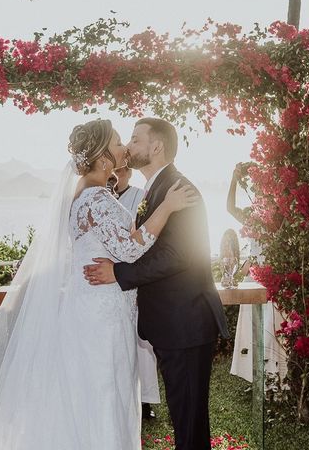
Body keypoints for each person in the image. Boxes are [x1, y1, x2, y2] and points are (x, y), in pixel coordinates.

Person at [0, 119, 197, 449]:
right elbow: (130, 248)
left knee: (92, 392)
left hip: (94, 307)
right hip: (102, 316)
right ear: (104, 158)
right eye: (119, 142)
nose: (125, 148)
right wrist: (167, 208)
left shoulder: (89, 193)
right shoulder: (96, 199)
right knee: (104, 392)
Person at [84, 117, 229, 450]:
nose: (129, 146)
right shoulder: (158, 189)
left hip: (186, 322)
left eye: (135, 139)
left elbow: (179, 253)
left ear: (157, 146)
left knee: (189, 421)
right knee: (185, 418)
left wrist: (118, 273)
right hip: (173, 324)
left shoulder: (180, 189)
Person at [226, 162, 287, 385]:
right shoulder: (252, 217)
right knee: (254, 331)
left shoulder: (281, 220)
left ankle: (276, 379)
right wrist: (234, 178)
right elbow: (230, 208)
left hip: (273, 279)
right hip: (253, 279)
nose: (261, 194)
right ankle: (259, 378)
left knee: (271, 330)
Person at [108, 166, 161, 420]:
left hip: (134, 275)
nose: (121, 172)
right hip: (109, 280)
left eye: (124, 169)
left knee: (142, 343)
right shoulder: (100, 196)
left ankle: (145, 400)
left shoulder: (140, 195)